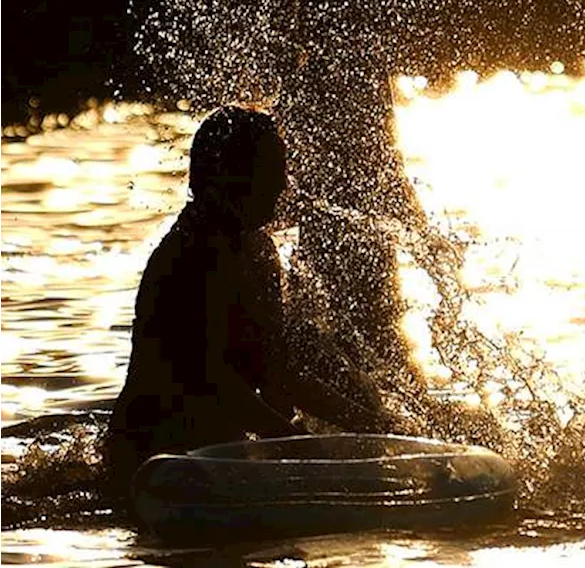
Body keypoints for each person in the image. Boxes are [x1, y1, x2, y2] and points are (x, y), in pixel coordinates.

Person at [105, 106, 400, 500]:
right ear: (229, 178)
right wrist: (305, 447)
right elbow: (213, 381)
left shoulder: (257, 247)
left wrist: (372, 425)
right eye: (272, 170)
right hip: (153, 463)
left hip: (216, 455)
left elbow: (274, 371)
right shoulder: (189, 257)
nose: (284, 184)